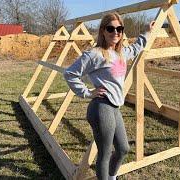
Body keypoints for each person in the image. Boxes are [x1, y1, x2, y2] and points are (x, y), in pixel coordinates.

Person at [64, 12, 154, 180]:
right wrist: (87, 92)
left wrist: (147, 32)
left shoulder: (121, 53)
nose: (116, 32)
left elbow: (136, 47)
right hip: (101, 107)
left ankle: (112, 177)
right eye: (111, 29)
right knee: (105, 153)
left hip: (114, 107)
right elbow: (70, 73)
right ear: (103, 31)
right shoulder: (95, 54)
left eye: (119, 29)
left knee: (123, 149)